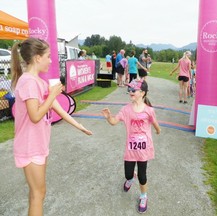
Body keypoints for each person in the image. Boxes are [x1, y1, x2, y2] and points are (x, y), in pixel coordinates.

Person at [10, 38, 93, 216]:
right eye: (48, 56)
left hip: (38, 145)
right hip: (29, 146)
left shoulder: (38, 82)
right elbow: (35, 116)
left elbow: (58, 108)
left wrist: (79, 126)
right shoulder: (29, 82)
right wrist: (52, 94)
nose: (50, 61)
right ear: (38, 58)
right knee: (38, 194)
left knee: (38, 194)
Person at [102, 79, 161, 214]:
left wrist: (158, 130)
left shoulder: (149, 110)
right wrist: (108, 117)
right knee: (128, 174)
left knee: (142, 175)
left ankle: (143, 196)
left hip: (143, 150)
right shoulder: (126, 109)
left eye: (133, 90)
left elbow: (155, 123)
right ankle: (130, 178)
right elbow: (114, 122)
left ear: (142, 93)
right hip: (131, 149)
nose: (130, 92)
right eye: (129, 90)